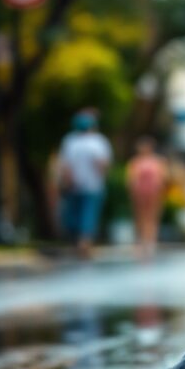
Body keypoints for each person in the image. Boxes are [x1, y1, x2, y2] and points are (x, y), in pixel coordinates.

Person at [58, 109, 112, 259]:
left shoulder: (69, 141)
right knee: (89, 215)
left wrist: (69, 181)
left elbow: (65, 165)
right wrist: (102, 177)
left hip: (75, 185)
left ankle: (77, 243)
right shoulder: (98, 142)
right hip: (93, 185)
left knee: (75, 214)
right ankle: (85, 243)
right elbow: (102, 164)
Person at [126, 136, 170, 260]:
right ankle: (141, 241)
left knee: (152, 217)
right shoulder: (136, 162)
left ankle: (150, 241)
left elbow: (163, 178)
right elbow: (131, 179)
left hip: (154, 192)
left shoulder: (158, 161)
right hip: (140, 192)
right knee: (140, 217)